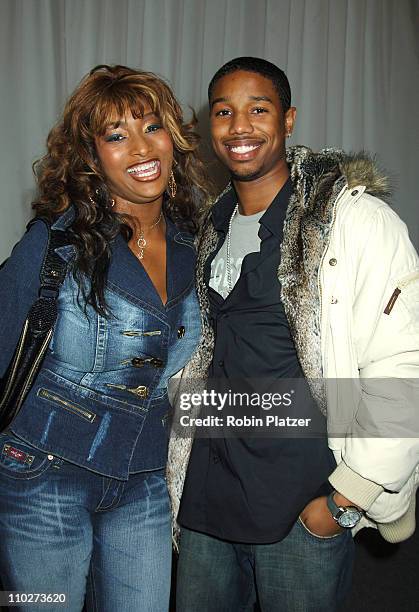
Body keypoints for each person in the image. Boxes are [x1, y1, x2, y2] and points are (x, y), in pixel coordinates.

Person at [168, 57, 419, 611]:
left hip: (302, 504)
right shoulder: (208, 227)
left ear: (288, 120)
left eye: (259, 110)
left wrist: (344, 500)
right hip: (209, 498)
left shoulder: (354, 221)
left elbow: (403, 364)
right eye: (224, 112)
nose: (240, 127)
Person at [0, 64, 213, 611]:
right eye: (116, 136)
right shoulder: (52, 248)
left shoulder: (201, 247)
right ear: (91, 159)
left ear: (175, 138)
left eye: (152, 126)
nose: (141, 147)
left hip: (143, 479)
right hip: (43, 475)